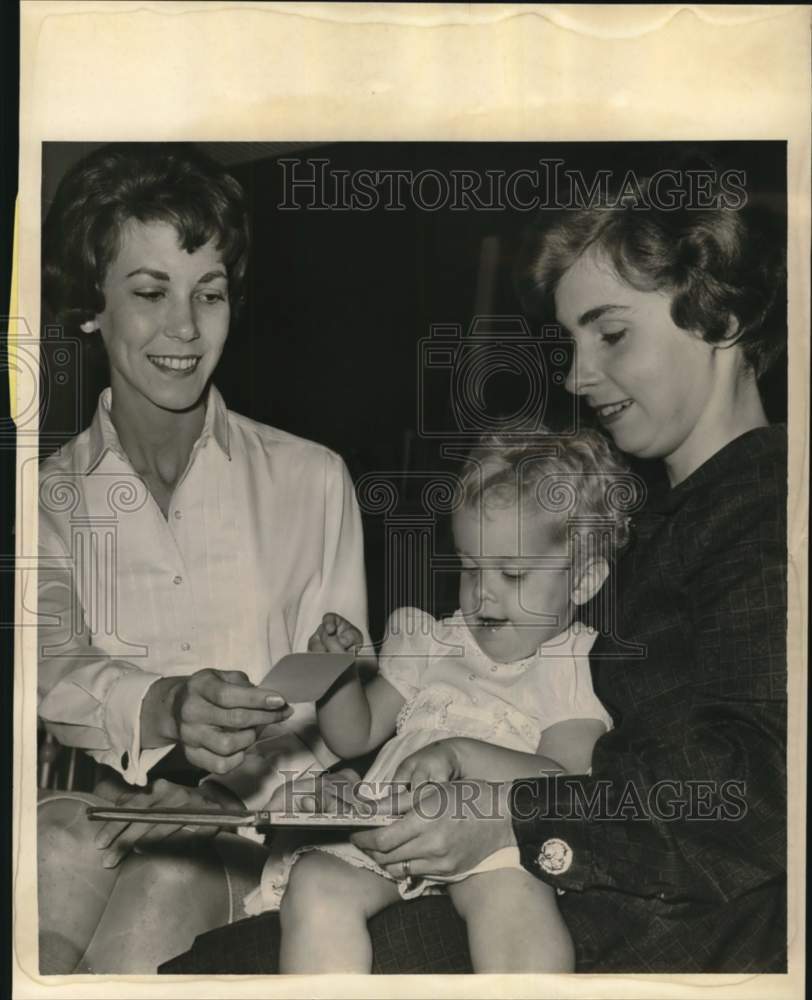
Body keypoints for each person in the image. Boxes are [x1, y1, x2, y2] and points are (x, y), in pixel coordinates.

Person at [160, 184, 788, 974]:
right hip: (559, 888)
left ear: (722, 320)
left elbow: (758, 797)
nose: (576, 375)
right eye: (571, 341)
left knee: (195, 976)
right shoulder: (661, 516)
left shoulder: (767, 507)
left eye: (613, 335)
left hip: (647, 927)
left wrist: (506, 812)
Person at [36, 142, 370, 974]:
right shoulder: (39, 499)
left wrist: (220, 796)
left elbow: (346, 725)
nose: (184, 328)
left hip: (242, 833)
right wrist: (164, 706)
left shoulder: (313, 478)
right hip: (82, 806)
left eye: (208, 293)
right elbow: (46, 665)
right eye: (150, 292)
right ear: (91, 308)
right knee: (44, 886)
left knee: (161, 892)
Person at [272, 430, 630, 973]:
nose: (482, 594)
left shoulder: (566, 663)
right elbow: (353, 735)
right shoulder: (431, 643)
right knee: (315, 884)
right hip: (388, 839)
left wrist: (463, 755)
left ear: (583, 580)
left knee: (512, 902)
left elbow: (565, 779)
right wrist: (336, 678)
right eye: (469, 567)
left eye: (511, 574)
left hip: (493, 847)